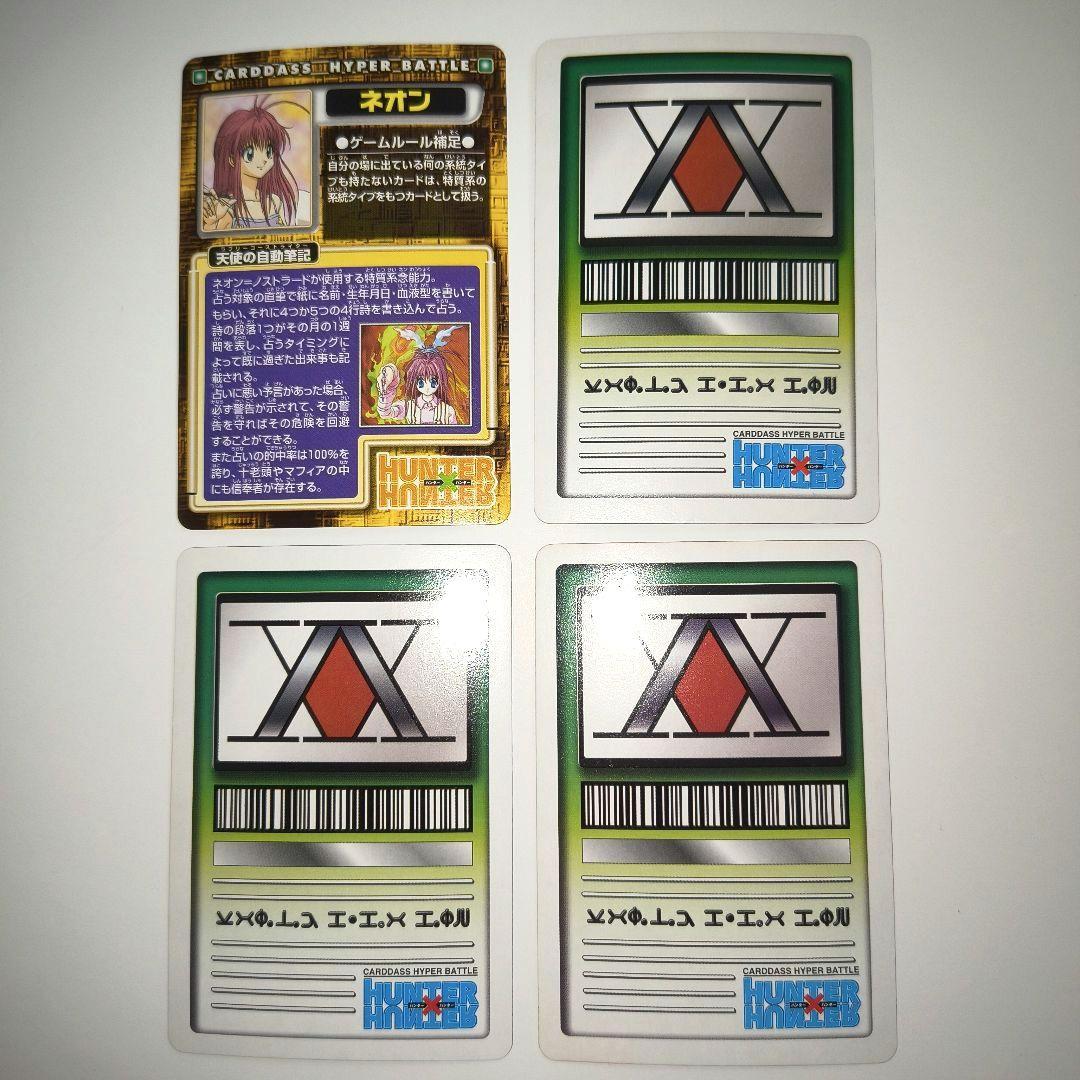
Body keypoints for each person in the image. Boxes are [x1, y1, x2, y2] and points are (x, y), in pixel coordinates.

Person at [201, 96, 300, 230]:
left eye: (268, 151)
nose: (263, 159)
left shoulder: (274, 202)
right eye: (250, 154)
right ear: (231, 159)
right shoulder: (226, 207)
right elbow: (214, 237)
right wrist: (210, 224)